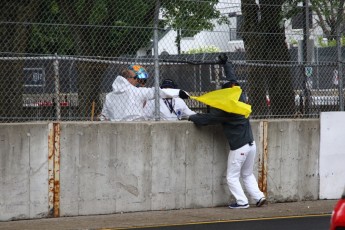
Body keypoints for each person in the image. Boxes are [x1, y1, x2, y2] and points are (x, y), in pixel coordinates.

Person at [188, 55, 266, 209]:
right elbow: (233, 80)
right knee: (247, 174)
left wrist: (190, 116)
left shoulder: (226, 111)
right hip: (251, 145)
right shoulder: (240, 98)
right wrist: (226, 64)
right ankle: (259, 197)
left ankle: (242, 202)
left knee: (232, 177)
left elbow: (207, 119)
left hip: (239, 147)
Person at [100, 65, 189, 121]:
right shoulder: (136, 92)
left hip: (116, 131)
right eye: (138, 80)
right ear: (130, 78)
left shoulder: (109, 96)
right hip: (137, 129)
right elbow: (157, 91)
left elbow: (104, 117)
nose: (139, 83)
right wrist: (179, 92)